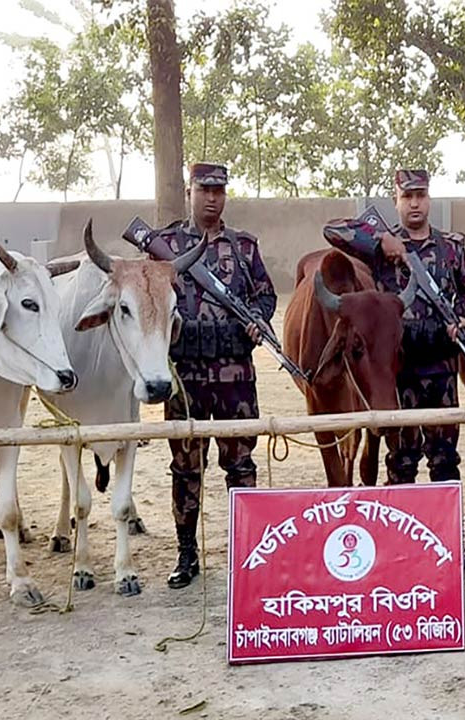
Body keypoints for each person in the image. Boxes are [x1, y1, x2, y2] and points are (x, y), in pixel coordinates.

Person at [154, 162, 277, 589]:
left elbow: (265, 294)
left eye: (219, 191)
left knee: (241, 467)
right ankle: (187, 553)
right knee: (185, 467)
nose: (212, 198)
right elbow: (147, 295)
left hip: (234, 376)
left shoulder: (243, 247)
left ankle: (248, 552)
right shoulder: (163, 244)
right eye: (204, 189)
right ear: (190, 191)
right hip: (185, 375)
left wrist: (258, 320)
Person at [325, 170, 465, 489]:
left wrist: (462, 318)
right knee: (401, 462)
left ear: (429, 199)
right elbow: (332, 230)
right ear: (396, 201)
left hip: (441, 368)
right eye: (407, 197)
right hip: (400, 369)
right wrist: (381, 239)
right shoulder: (380, 248)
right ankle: (401, 537)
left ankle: (441, 536)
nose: (415, 204)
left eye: (420, 196)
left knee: (445, 459)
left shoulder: (451, 246)